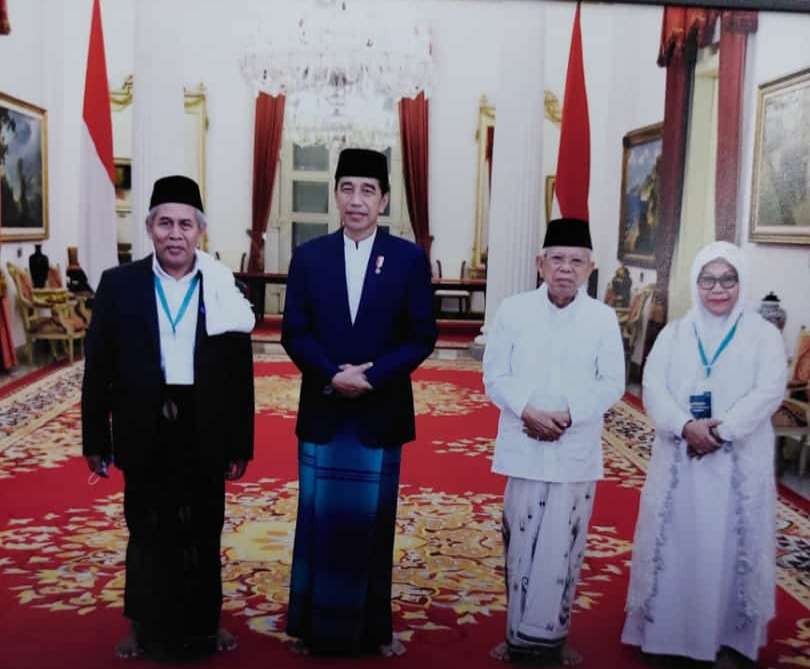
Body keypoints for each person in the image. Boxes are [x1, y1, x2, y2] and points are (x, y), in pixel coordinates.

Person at [81, 175, 255, 660]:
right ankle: (140, 624)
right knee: (147, 527)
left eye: (185, 224)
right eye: (165, 223)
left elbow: (241, 373)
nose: (175, 234)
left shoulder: (224, 285)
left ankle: (206, 623)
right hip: (144, 421)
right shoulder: (120, 286)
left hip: (204, 422)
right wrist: (96, 438)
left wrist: (240, 443)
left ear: (199, 230)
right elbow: (98, 368)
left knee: (204, 526)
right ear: (149, 228)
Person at [282, 148, 437, 657]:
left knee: (373, 525)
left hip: (378, 409)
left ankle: (372, 629)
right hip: (325, 410)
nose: (356, 200)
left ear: (385, 199)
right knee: (318, 519)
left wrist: (373, 376)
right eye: (347, 188)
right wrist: (332, 374)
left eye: (368, 190)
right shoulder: (309, 257)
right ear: (336, 195)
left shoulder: (409, 260)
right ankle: (312, 625)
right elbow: (293, 331)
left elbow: (422, 336)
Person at [622, 241, 787, 669]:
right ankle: (666, 634)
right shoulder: (676, 332)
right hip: (681, 462)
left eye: (728, 279)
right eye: (709, 279)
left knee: (732, 543)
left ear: (741, 283)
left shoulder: (763, 336)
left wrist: (723, 432)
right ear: (696, 284)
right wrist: (685, 427)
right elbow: (653, 387)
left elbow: (769, 390)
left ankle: (728, 637)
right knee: (678, 541)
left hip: (738, 463)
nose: (719, 289)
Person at [483, 218, 625, 666]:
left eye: (576, 261)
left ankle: (553, 641)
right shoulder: (512, 310)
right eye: (557, 259)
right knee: (521, 542)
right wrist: (527, 409)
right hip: (523, 442)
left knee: (564, 545)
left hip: (574, 447)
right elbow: (495, 375)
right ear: (540, 263)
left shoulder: (602, 318)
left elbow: (613, 383)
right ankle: (516, 639)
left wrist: (568, 415)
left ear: (590, 267)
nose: (566, 269)